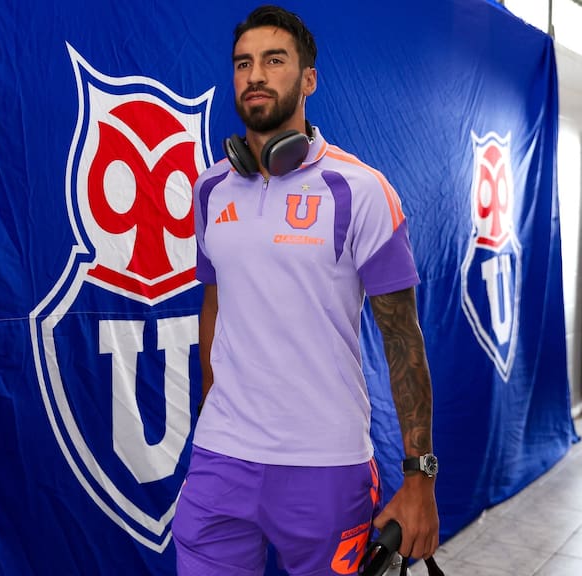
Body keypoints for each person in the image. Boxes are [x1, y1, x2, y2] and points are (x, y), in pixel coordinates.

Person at [172, 5, 440, 576]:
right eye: (244, 63)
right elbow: (216, 304)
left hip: (326, 466)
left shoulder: (363, 190)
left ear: (309, 78)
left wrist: (419, 477)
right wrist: (210, 418)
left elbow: (402, 339)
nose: (256, 75)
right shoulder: (210, 189)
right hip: (221, 459)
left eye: (274, 60)